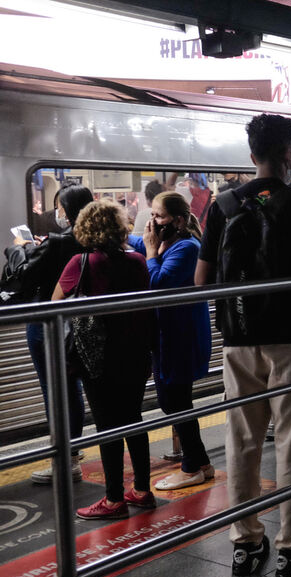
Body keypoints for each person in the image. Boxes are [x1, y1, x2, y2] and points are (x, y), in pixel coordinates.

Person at [195, 113, 291, 577]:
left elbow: (202, 281)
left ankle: (246, 543)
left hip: (238, 340)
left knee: (242, 442)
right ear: (287, 153)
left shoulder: (222, 205)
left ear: (251, 152)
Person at [57, 200, 155, 520]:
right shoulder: (138, 260)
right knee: (133, 418)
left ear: (85, 228)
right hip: (136, 353)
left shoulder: (80, 262)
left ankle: (114, 499)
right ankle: (141, 489)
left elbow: (55, 303)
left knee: (106, 425)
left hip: (98, 356)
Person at [4, 184, 92, 484]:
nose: (59, 214)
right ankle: (72, 454)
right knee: (71, 388)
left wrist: (20, 246)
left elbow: (25, 273)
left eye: (61, 208)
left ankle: (64, 460)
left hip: (47, 325)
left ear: (67, 211)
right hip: (78, 323)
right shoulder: (89, 239)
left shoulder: (56, 243)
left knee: (53, 390)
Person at [126, 192, 213, 490]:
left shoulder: (187, 247)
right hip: (167, 336)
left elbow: (157, 284)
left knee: (175, 402)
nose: (153, 222)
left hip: (181, 336)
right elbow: (134, 242)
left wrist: (151, 252)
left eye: (158, 216)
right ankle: (200, 461)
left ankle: (191, 468)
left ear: (177, 220)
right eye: (151, 215)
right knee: (175, 401)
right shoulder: (168, 241)